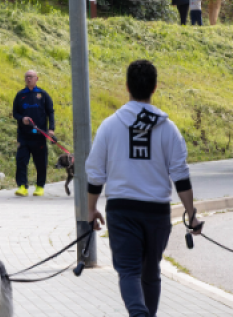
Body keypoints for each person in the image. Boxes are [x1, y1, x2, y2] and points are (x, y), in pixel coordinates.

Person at [86, 60, 202, 317]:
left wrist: (91, 209)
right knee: (151, 273)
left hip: (121, 211)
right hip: (157, 213)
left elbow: (95, 173)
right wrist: (191, 213)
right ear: (155, 87)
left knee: (128, 272)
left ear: (126, 86)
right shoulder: (168, 129)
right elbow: (181, 177)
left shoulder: (109, 126)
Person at [12, 70, 56, 197]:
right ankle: (22, 187)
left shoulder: (43, 95)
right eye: (26, 77)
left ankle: (39, 186)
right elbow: (15, 113)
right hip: (23, 135)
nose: (28, 79)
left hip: (40, 135)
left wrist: (51, 129)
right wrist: (22, 119)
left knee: (41, 162)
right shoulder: (20, 95)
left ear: (37, 78)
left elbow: (50, 112)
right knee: (21, 161)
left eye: (31, 77)